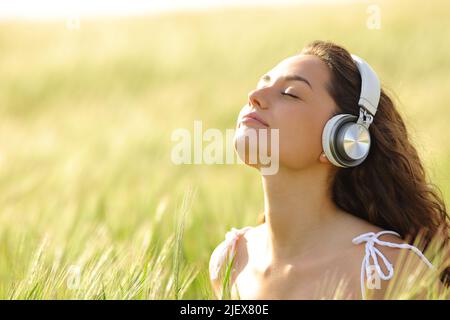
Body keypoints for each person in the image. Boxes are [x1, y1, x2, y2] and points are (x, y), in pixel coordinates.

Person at [209, 40, 449, 300]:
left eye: (290, 93)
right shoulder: (231, 261)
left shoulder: (390, 270)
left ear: (344, 139)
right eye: (261, 85)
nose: (254, 97)